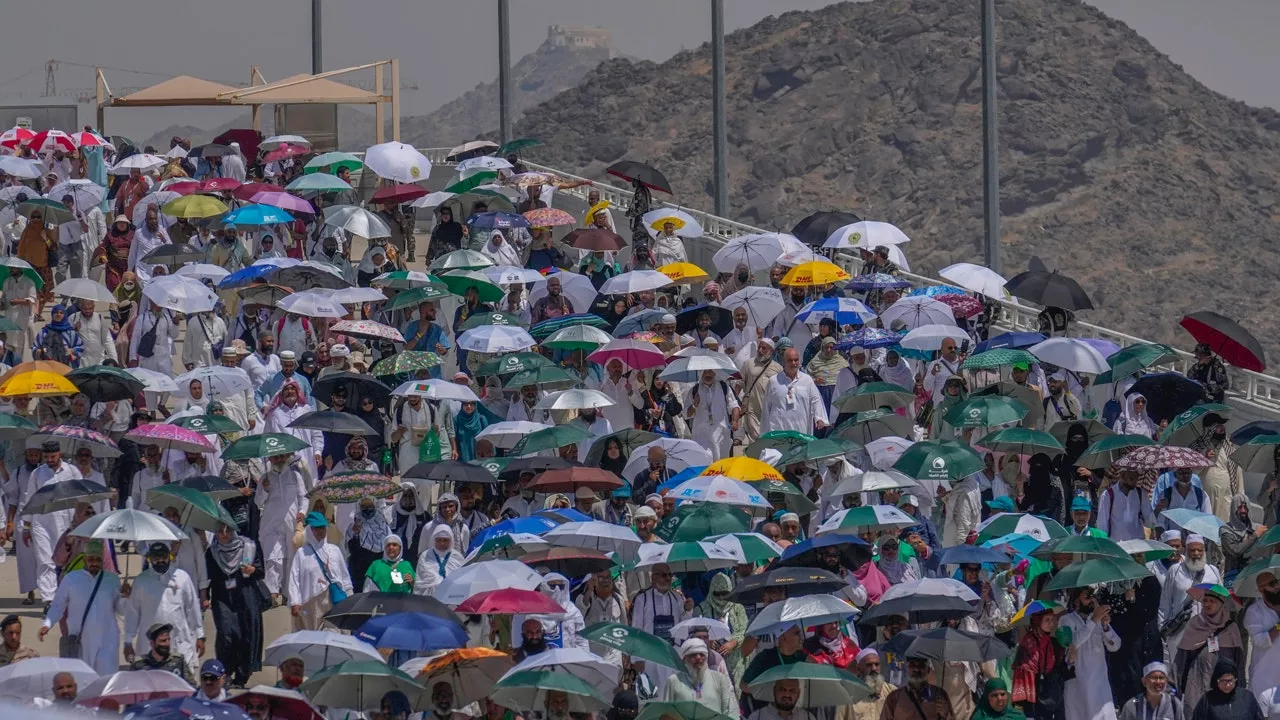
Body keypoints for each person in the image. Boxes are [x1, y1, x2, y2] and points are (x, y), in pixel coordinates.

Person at [122, 542, 205, 680]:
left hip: (179, 641)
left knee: (183, 685)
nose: (160, 560)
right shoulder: (141, 581)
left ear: (170, 557)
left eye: (163, 557)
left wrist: (200, 636)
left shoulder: (182, 578)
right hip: (150, 646)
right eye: (156, 557)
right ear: (149, 559)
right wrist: (128, 642)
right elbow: (133, 613)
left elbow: (192, 608)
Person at [39, 538, 120, 674]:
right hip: (81, 640)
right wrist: (47, 624)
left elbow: (121, 609)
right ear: (84, 559)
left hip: (107, 640)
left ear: (102, 560)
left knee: (106, 682)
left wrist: (125, 596)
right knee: (83, 681)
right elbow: (58, 606)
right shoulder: (71, 579)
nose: (94, 563)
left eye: (97, 560)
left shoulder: (112, 580)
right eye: (91, 559)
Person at [205, 520, 264, 689]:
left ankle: (242, 674)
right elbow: (208, 577)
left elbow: (261, 571)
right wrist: (204, 595)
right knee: (227, 634)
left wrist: (252, 570)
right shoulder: (213, 552)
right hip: (222, 598)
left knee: (245, 635)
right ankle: (226, 671)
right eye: (220, 531)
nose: (224, 534)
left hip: (245, 596)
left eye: (228, 530)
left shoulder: (249, 547)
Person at [1175, 585, 1242, 710]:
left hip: (1224, 687)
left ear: (1221, 604)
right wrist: (1173, 687)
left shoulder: (1232, 629)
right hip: (1196, 684)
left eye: (1212, 601)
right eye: (1205, 600)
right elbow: (1181, 659)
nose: (1207, 604)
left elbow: (1239, 662)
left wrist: (1241, 691)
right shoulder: (1194, 624)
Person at [257, 450, 310, 605]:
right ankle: (272, 593)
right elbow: (258, 502)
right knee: (272, 557)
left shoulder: (295, 475)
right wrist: (265, 490)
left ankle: (288, 593)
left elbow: (304, 497)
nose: (279, 459)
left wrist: (301, 512)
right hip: (270, 522)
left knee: (291, 558)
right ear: (270, 458)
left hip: (291, 522)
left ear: (287, 457)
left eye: (282, 456)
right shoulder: (264, 478)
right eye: (276, 456)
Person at [1059, 587, 1120, 720]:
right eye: (1087, 597)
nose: (1092, 600)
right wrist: (1093, 621)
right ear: (1076, 601)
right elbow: (1071, 643)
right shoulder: (1066, 620)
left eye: (1093, 597)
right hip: (1078, 683)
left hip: (1100, 684)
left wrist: (1105, 626)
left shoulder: (1098, 620)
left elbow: (1115, 646)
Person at [288, 511, 352, 631]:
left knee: (332, 633)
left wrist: (349, 597)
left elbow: (344, 576)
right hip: (309, 601)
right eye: (316, 528)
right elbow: (294, 579)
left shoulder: (334, 550)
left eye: (322, 527)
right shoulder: (301, 553)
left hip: (332, 599)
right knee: (310, 636)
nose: (320, 531)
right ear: (310, 530)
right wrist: (295, 602)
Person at [661, 638, 738, 716]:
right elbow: (667, 712)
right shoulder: (674, 681)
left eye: (701, 654)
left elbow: (730, 711)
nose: (698, 657)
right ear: (684, 659)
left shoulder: (719, 679)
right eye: (693, 654)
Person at [761, 347, 829, 435]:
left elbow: (815, 399)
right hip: (778, 431)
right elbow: (767, 407)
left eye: (796, 360)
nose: (794, 363)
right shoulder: (774, 381)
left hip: (801, 430)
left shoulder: (807, 380)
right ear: (783, 362)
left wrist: (819, 418)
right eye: (790, 360)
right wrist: (765, 432)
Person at [684, 369, 740, 461]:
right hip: (702, 436)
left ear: (715, 372)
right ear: (701, 373)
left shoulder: (723, 387)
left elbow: (734, 406)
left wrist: (735, 421)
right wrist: (694, 405)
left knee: (721, 465)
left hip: (721, 433)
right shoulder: (694, 391)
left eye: (710, 371)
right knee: (704, 464)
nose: (708, 374)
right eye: (705, 372)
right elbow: (686, 414)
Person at [881, 657, 955, 720]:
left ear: (928, 670)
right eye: (912, 664)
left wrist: (946, 714)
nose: (916, 669)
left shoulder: (939, 695)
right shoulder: (894, 698)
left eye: (921, 665)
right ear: (906, 669)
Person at [1189, 658, 1263, 720]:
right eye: (1223, 681)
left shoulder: (1247, 697)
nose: (1227, 685)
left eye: (1230, 680)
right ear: (1217, 680)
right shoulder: (1207, 700)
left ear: (1235, 679)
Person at [837, 648, 895, 720]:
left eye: (877, 664)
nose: (874, 668)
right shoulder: (848, 695)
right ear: (858, 669)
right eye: (869, 665)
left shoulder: (891, 691)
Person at [1117, 662, 1182, 720]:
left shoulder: (1174, 704)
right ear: (1144, 681)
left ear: (1166, 681)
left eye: (1161, 678)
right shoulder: (1132, 705)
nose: (1158, 682)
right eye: (1153, 678)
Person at [414, 525, 463, 596]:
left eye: (445, 540)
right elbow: (420, 581)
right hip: (429, 598)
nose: (442, 543)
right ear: (434, 540)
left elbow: (461, 579)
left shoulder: (457, 557)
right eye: (439, 540)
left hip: (452, 596)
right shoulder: (425, 556)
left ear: (451, 540)